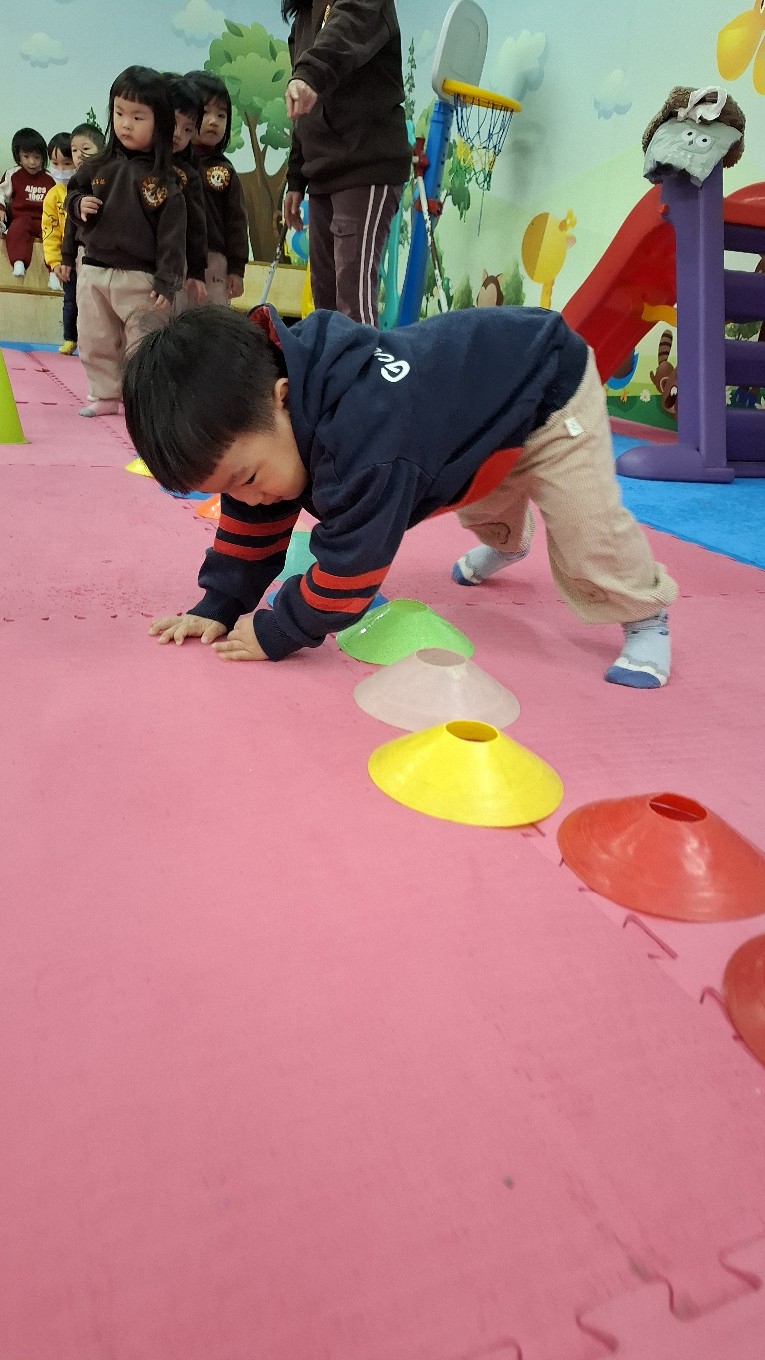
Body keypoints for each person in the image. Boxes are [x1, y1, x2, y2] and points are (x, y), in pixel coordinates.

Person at [122, 304, 678, 689]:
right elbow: (250, 524)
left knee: (585, 528)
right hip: (473, 417)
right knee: (478, 487)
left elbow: (351, 571)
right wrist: (219, 605)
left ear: (282, 398)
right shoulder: (264, 418)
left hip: (547, 381)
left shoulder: (365, 442)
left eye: (245, 479)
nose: (249, 499)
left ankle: (643, 612)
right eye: (226, 489)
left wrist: (279, 628)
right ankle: (508, 542)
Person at [64, 67, 186, 417]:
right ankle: (103, 394)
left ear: (160, 123)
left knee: (142, 342)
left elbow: (172, 237)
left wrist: (167, 281)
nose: (125, 124)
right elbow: (73, 192)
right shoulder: (97, 164)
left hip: (140, 277)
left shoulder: (165, 180)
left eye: (137, 117)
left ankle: (141, 402)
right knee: (95, 337)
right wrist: (77, 204)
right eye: (119, 113)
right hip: (95, 269)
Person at [281, 0, 411, 325]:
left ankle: (364, 362)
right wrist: (296, 177)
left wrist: (309, 73)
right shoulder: (303, 18)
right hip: (322, 171)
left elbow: (347, 27)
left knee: (353, 304)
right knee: (324, 306)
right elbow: (302, 109)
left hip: (364, 164)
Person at [184, 70, 248, 305]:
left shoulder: (225, 171)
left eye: (221, 115)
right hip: (176, 255)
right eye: (205, 112)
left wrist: (237, 270)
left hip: (215, 260)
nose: (213, 121)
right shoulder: (171, 166)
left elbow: (236, 222)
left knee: (213, 318)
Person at [54, 124, 106, 356]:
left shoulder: (106, 177)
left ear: (102, 150)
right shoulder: (77, 182)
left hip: (104, 253)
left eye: (86, 148)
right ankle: (75, 340)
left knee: (98, 305)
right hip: (82, 253)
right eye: (74, 150)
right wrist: (66, 258)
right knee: (78, 300)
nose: (79, 155)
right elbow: (69, 225)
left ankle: (96, 347)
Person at [167, 75, 208, 309]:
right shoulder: (128, 164)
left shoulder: (187, 175)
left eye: (187, 129)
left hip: (171, 268)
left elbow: (196, 226)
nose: (177, 134)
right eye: (172, 122)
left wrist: (196, 271)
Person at [0, 128, 55, 278]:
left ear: (43, 157)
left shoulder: (50, 178)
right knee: (17, 228)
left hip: (45, 221)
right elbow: (1, 192)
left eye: (37, 157)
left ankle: (54, 273)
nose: (32, 162)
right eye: (26, 156)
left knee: (55, 234)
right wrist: (1, 208)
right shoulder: (13, 174)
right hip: (22, 220)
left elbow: (59, 199)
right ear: (18, 156)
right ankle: (18, 263)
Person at [41, 132, 74, 294]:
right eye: (55, 163)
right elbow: (50, 231)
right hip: (66, 264)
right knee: (69, 304)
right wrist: (55, 262)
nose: (60, 170)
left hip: (89, 262)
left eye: (67, 164)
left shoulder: (90, 188)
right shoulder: (52, 196)